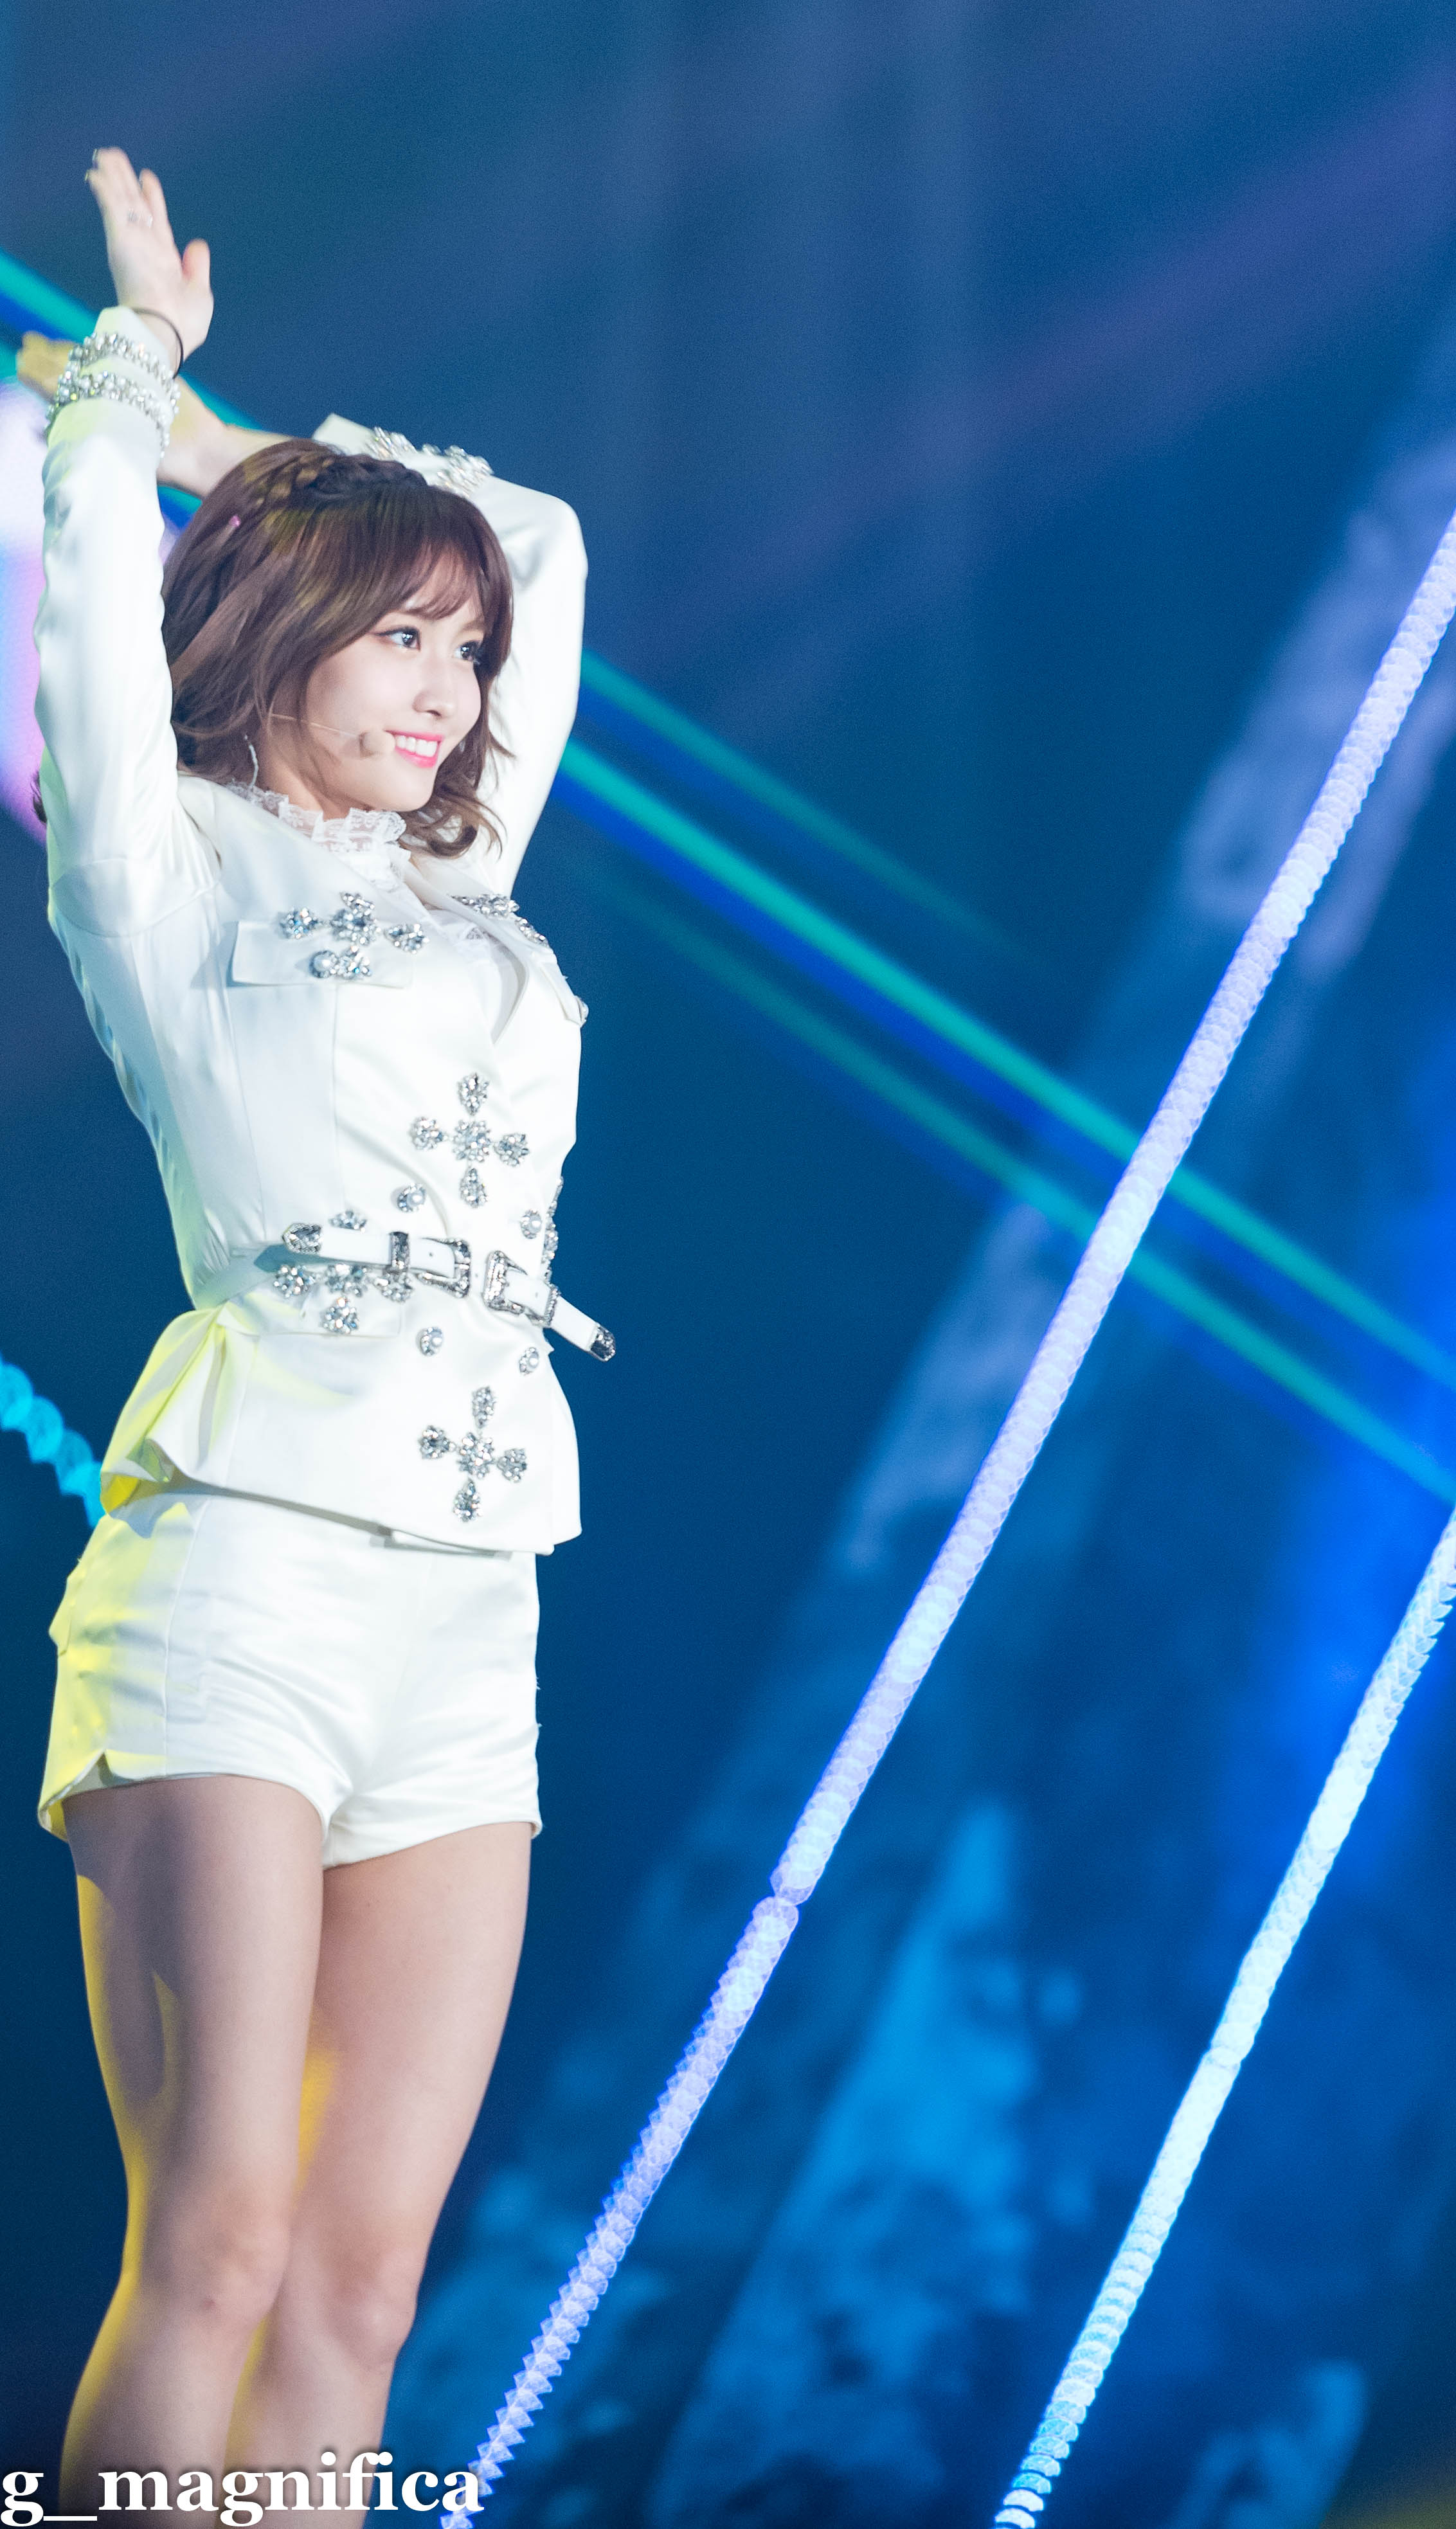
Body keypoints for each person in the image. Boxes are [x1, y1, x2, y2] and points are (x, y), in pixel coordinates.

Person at [19, 149, 604, 2505]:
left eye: (465, 654)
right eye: (402, 640)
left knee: (364, 2284)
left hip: (472, 1598)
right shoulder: (158, 861)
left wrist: (232, 448)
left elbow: (538, 536)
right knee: (224, 2242)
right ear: (280, 637)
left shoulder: (464, 872)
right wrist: (133, 394)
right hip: (242, 1572)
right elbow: (88, 569)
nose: (454, 689)